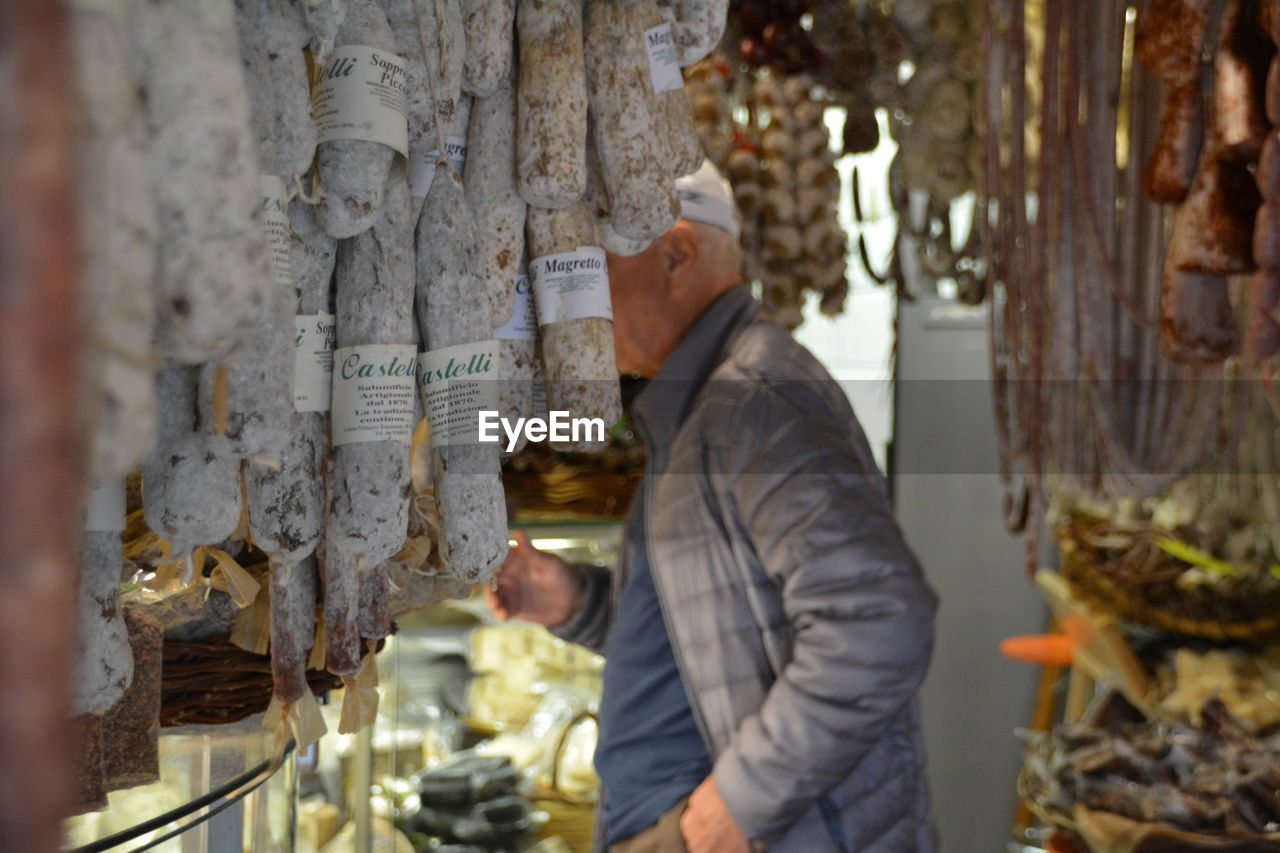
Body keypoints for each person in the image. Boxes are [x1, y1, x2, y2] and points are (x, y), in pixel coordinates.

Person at [487, 162, 938, 853]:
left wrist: (733, 808)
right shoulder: (698, 406)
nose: (572, 304)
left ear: (677, 255)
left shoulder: (755, 401)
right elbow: (717, 628)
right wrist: (578, 601)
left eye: (590, 269)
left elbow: (880, 619)